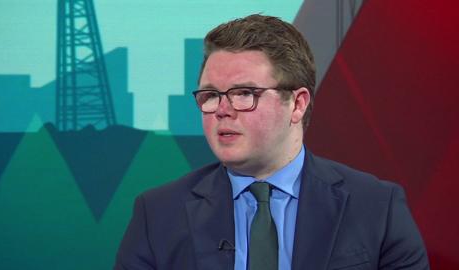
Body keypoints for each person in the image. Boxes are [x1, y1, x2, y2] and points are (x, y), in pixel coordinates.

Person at [114, 14, 429, 270]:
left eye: (243, 94)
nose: (222, 110)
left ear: (297, 104)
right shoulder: (157, 214)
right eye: (211, 95)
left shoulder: (376, 208)